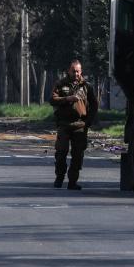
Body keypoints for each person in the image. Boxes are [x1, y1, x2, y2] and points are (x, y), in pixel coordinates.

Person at [50, 59, 98, 190]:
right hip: (64, 124)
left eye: (78, 71)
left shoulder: (87, 86)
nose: (76, 74)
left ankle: (73, 181)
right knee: (61, 152)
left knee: (77, 155)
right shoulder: (61, 84)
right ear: (68, 71)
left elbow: (94, 105)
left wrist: (88, 121)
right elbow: (52, 99)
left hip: (80, 125)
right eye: (73, 71)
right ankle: (59, 177)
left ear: (81, 71)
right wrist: (67, 99)